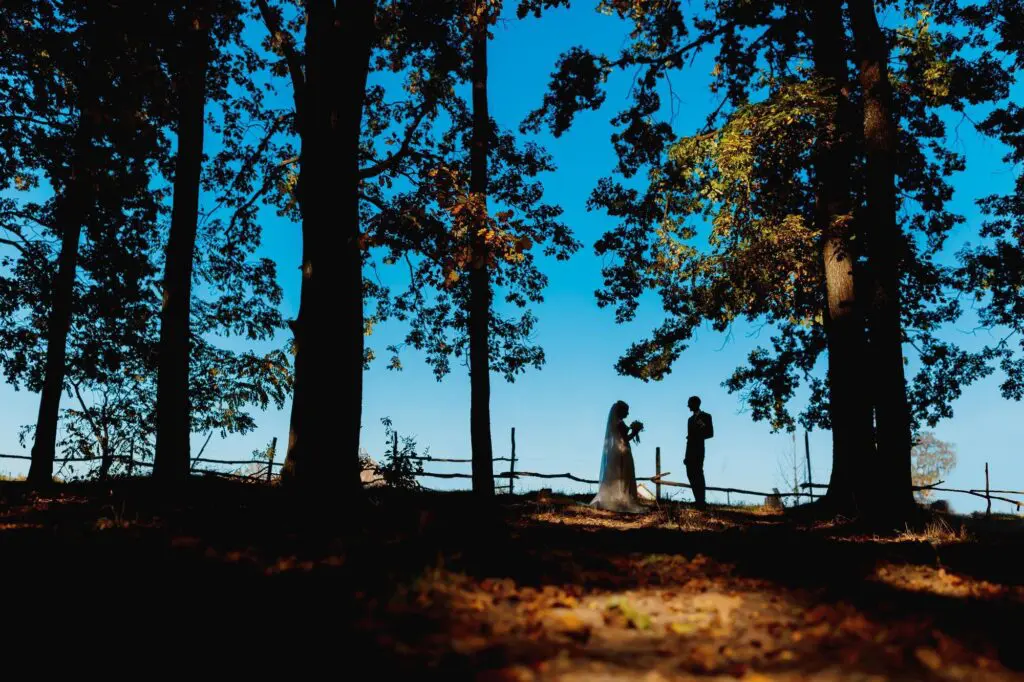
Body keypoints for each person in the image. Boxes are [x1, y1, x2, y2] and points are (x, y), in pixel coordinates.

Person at [590, 400, 646, 513]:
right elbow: (625, 439)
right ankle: (623, 499)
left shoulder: (616, 422)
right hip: (622, 450)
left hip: (616, 450)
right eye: (627, 411)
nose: (628, 413)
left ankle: (618, 497)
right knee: (624, 473)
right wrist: (635, 432)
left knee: (618, 474)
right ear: (621, 411)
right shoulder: (619, 423)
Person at [684, 395, 713, 510]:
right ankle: (697, 500)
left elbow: (710, 433)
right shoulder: (689, 420)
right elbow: (689, 438)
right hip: (689, 450)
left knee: (698, 473)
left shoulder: (706, 416)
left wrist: (699, 432)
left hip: (699, 449)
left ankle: (701, 501)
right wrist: (686, 455)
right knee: (690, 473)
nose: (688, 406)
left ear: (696, 404)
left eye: (690, 404)